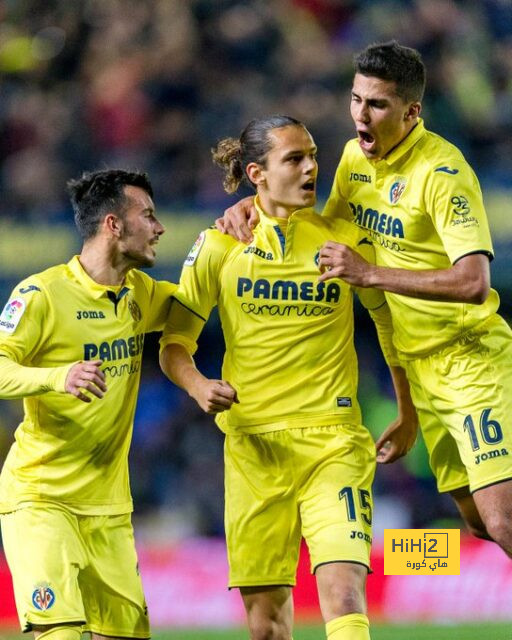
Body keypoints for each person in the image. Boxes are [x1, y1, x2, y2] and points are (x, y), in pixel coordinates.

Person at [217, 41, 512, 557]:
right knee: (479, 525)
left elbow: (474, 282)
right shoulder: (355, 159)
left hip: (471, 360)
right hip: (419, 371)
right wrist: (257, 202)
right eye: (356, 100)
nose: (361, 115)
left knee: (503, 519)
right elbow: (325, 231)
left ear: (411, 111)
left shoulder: (443, 173)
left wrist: (372, 273)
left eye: (376, 105)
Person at [160, 115, 417, 640]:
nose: (310, 169)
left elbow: (389, 322)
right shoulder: (218, 246)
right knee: (267, 625)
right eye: (294, 159)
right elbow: (174, 344)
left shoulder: (344, 241)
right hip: (254, 450)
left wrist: (407, 411)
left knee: (343, 592)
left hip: (335, 442)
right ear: (256, 172)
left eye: (314, 156)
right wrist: (197, 384)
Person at [0, 169, 176, 640]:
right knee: (59, 633)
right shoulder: (41, 295)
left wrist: (234, 225)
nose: (160, 228)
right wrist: (59, 376)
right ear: (114, 225)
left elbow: (205, 293)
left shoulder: (140, 294)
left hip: (110, 508)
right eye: (149, 215)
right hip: (43, 500)